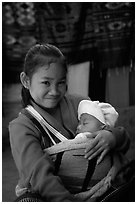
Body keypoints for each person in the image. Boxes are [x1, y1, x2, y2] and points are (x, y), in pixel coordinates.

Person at [9, 43, 130, 202]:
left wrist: (112, 137)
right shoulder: (22, 126)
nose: (54, 91)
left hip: (102, 186)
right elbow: (39, 175)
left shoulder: (81, 104)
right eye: (46, 83)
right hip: (53, 194)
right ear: (26, 80)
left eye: (61, 82)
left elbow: (123, 138)